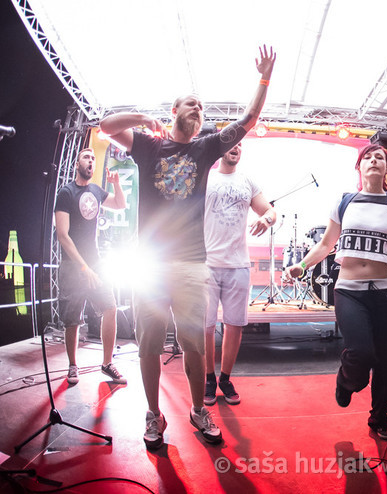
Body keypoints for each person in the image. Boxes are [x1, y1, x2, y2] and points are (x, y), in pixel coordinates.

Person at [99, 45, 276, 449]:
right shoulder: (147, 144)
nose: (198, 108)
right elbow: (107, 125)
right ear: (176, 109)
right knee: (149, 344)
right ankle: (153, 414)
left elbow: (249, 119)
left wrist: (263, 78)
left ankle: (198, 410)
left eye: (202, 105)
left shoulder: (205, 147)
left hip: (194, 264)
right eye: (191, 103)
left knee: (194, 344)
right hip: (151, 263)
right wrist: (143, 118)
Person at [286, 143, 387, 441]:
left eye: (381, 158)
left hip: (385, 293)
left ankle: (379, 416)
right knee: (360, 352)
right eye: (368, 157)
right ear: (359, 167)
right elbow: (325, 245)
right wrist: (302, 266)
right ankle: (347, 381)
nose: (374, 161)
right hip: (349, 290)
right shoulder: (345, 202)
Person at [203, 140, 276, 406]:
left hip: (237, 264)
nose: (236, 147)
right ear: (220, 148)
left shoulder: (247, 180)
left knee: (234, 326)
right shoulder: (206, 176)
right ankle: (209, 378)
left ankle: (225, 377)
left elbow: (270, 210)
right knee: (205, 327)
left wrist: (265, 219)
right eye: (232, 143)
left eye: (240, 145)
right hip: (207, 263)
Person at [54, 148, 127, 385]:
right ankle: (73, 366)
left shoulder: (95, 190)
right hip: (73, 266)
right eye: (86, 157)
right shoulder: (66, 193)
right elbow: (63, 235)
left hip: (95, 262)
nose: (91, 161)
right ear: (77, 164)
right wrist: (84, 267)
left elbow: (119, 204)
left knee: (111, 307)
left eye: (93, 158)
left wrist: (116, 184)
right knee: (72, 318)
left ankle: (107, 364)